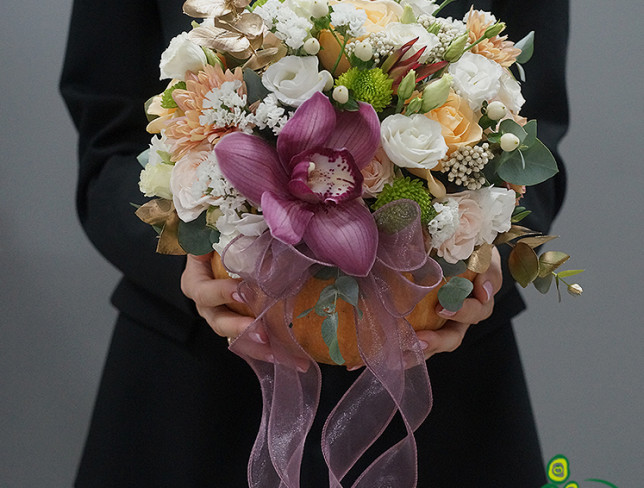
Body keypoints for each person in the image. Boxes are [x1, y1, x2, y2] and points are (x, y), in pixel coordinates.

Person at [60, 0, 568, 486]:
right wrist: (197, 254)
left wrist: (481, 243)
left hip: (443, 362)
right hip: (197, 385)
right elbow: (111, 142)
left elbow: (534, 129)